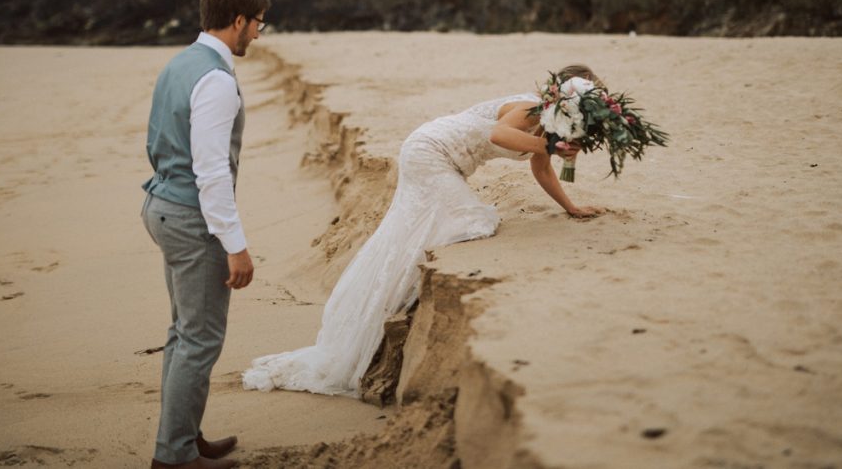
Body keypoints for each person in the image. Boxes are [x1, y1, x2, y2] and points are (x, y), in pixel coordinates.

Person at [243, 64, 605, 398]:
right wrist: (550, 143)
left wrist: (570, 206)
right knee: (473, 221)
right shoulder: (530, 108)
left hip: (445, 161)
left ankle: (393, 296)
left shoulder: (551, 126)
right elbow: (499, 133)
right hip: (430, 150)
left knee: (424, 230)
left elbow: (541, 169)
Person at [141, 0, 270, 469]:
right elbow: (212, 171)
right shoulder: (215, 80)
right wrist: (235, 245)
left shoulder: (180, 63)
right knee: (199, 339)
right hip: (192, 218)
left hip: (162, 207)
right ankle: (173, 457)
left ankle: (185, 435)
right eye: (258, 23)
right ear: (238, 20)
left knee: (183, 332)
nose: (259, 33)